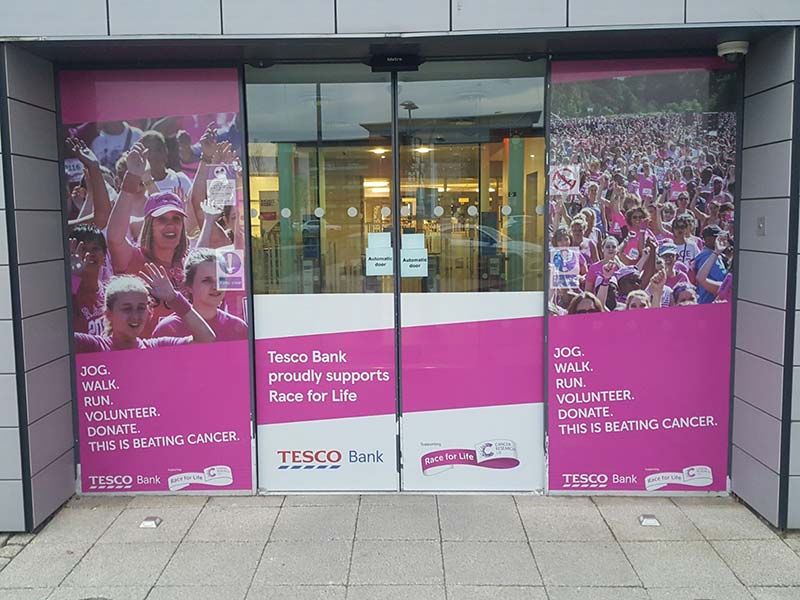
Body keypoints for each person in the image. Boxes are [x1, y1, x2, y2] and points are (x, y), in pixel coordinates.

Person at [106, 144, 189, 336]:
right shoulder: (134, 258)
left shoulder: (187, 263)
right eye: (162, 219)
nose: (171, 225)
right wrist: (132, 178)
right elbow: (114, 237)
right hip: (143, 358)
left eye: (176, 219)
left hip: (184, 355)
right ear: (150, 225)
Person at [74, 265, 215, 353]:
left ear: (149, 312)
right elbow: (57, 339)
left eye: (141, 308)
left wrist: (174, 298)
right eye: (126, 308)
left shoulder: (156, 348)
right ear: (108, 314)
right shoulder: (92, 346)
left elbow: (206, 338)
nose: (135, 315)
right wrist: (72, 281)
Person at [153, 249, 247, 342]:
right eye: (206, 280)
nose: (215, 287)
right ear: (189, 286)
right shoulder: (168, 328)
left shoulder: (238, 327)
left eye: (220, 279)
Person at [69, 226, 109, 336]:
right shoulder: (67, 291)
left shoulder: (110, 293)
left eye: (95, 249)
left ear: (104, 256)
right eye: (83, 249)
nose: (89, 254)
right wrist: (73, 276)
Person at [694, 225, 729, 304]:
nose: (721, 239)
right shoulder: (706, 256)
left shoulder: (715, 254)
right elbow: (722, 281)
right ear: (708, 239)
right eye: (718, 237)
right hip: (708, 302)